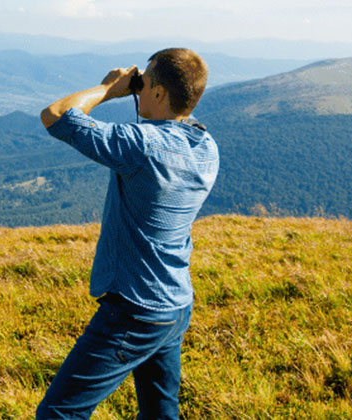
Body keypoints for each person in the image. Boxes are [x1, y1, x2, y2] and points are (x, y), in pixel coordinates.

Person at [35, 48, 217, 419]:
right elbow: (174, 122)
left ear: (160, 93)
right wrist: (147, 86)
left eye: (145, 83)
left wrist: (109, 89)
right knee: (160, 414)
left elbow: (55, 115)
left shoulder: (143, 146)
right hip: (175, 305)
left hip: (135, 309)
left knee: (58, 413)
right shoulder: (206, 147)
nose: (139, 88)